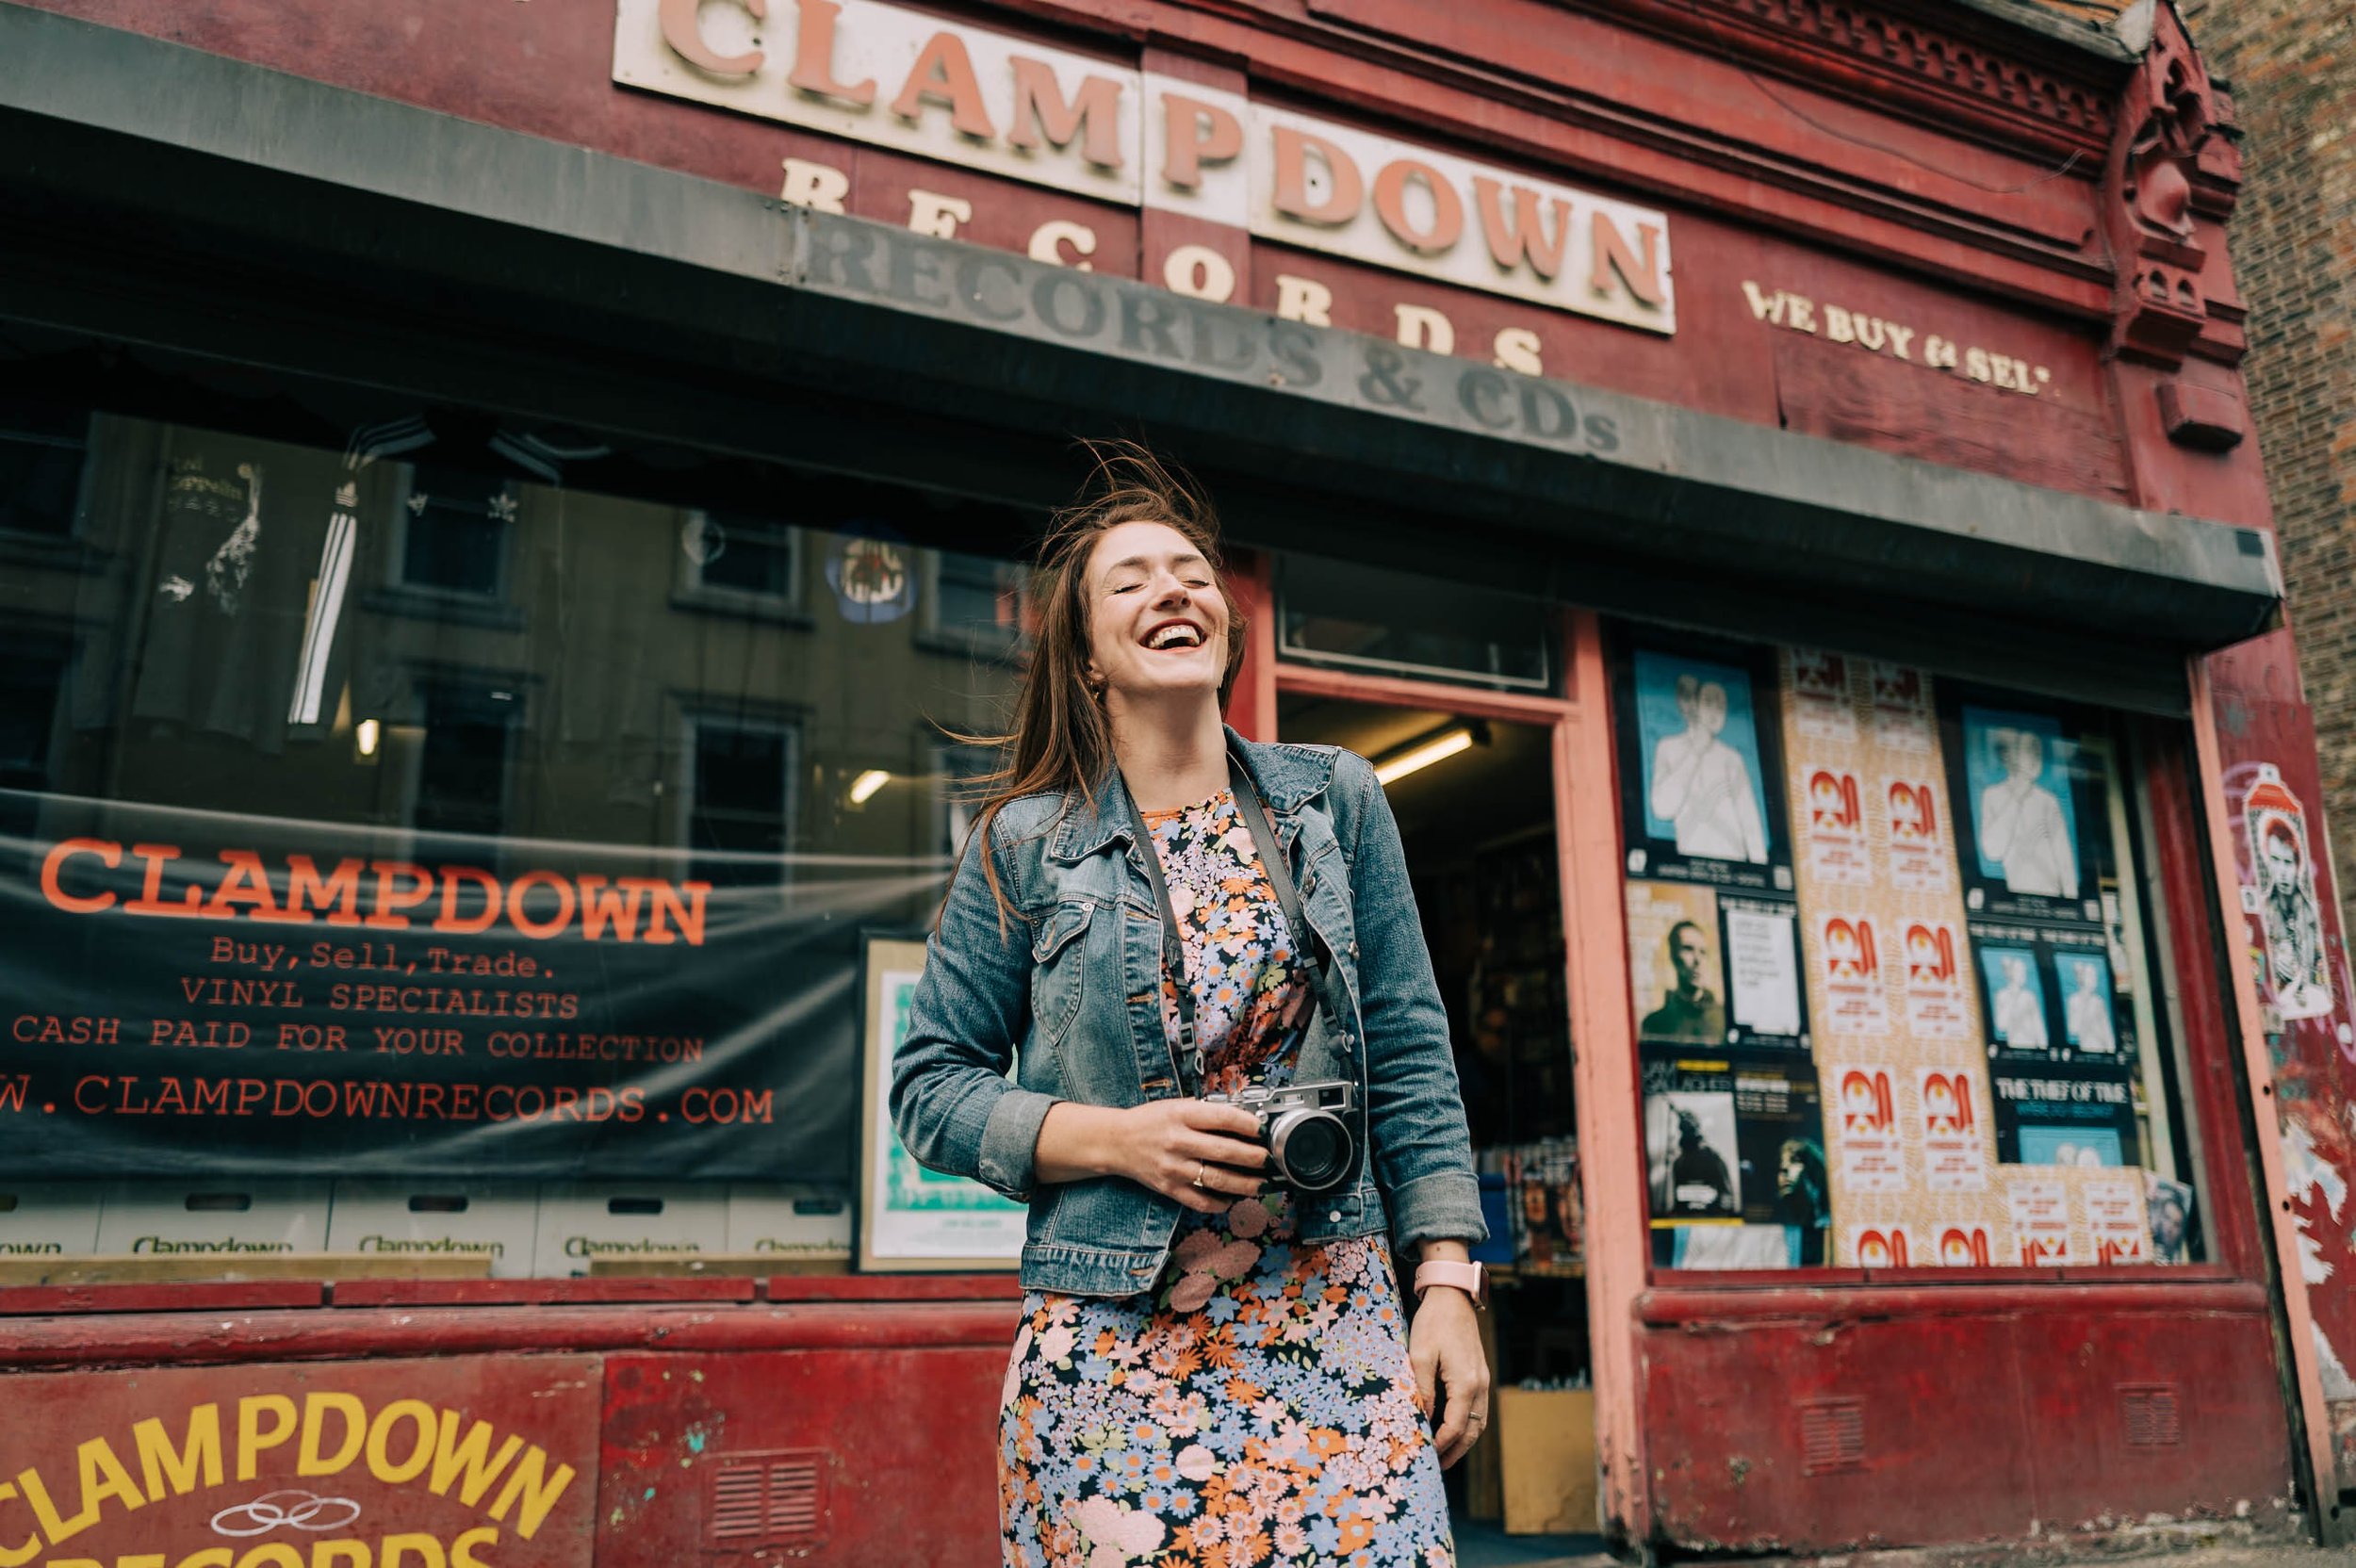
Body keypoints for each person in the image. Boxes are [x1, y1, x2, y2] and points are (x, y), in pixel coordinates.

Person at [891, 446, 1489, 1568]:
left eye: (1192, 574)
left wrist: (1446, 1282)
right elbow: (929, 1086)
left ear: (1223, 621)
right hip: (1110, 1344)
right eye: (1130, 581)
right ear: (1086, 655)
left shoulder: (1334, 799)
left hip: (1335, 1321)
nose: (1171, 589)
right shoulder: (1024, 842)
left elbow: (1411, 1050)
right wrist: (1118, 1139)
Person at [1648, 674, 1767, 861]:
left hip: (1734, 858)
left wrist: (1759, 866)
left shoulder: (1731, 758)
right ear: (1694, 705)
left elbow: (1749, 818)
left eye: (1720, 706)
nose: (1715, 712)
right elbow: (1662, 808)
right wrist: (1695, 753)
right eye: (1708, 703)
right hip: (1689, 859)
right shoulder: (1668, 748)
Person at [1977, 727, 2077, 898]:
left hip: (2052, 893)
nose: (2029, 755)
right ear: (2004, 756)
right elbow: (1992, 851)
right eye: (2017, 749)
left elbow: (2064, 857)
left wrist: (2071, 899)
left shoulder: (2047, 801)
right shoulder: (1992, 796)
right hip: (2016, 894)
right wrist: (2017, 795)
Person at [1642, 920, 1726, 1043]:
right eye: (1688, 949)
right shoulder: (1655, 1023)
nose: (1698, 960)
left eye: (1702, 952)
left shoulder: (1724, 1019)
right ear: (1673, 956)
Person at [1991, 954, 2049, 1048]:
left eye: (2024, 972)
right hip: (2014, 1045)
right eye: (2020, 972)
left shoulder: (2029, 997)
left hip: (2032, 1046)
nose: (2023, 975)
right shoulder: (2002, 995)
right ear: (2011, 973)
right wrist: (2012, 998)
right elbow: (2001, 1026)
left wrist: (2044, 1047)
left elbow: (2038, 1024)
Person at [2063, 959, 2116, 1052]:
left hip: (2101, 1047)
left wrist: (2111, 1049)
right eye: (2091, 977)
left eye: (2095, 977)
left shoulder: (2098, 1001)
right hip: (2086, 1047)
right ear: (2083, 978)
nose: (2095, 980)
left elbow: (2107, 1029)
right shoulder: (2074, 1000)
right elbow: (2073, 1029)